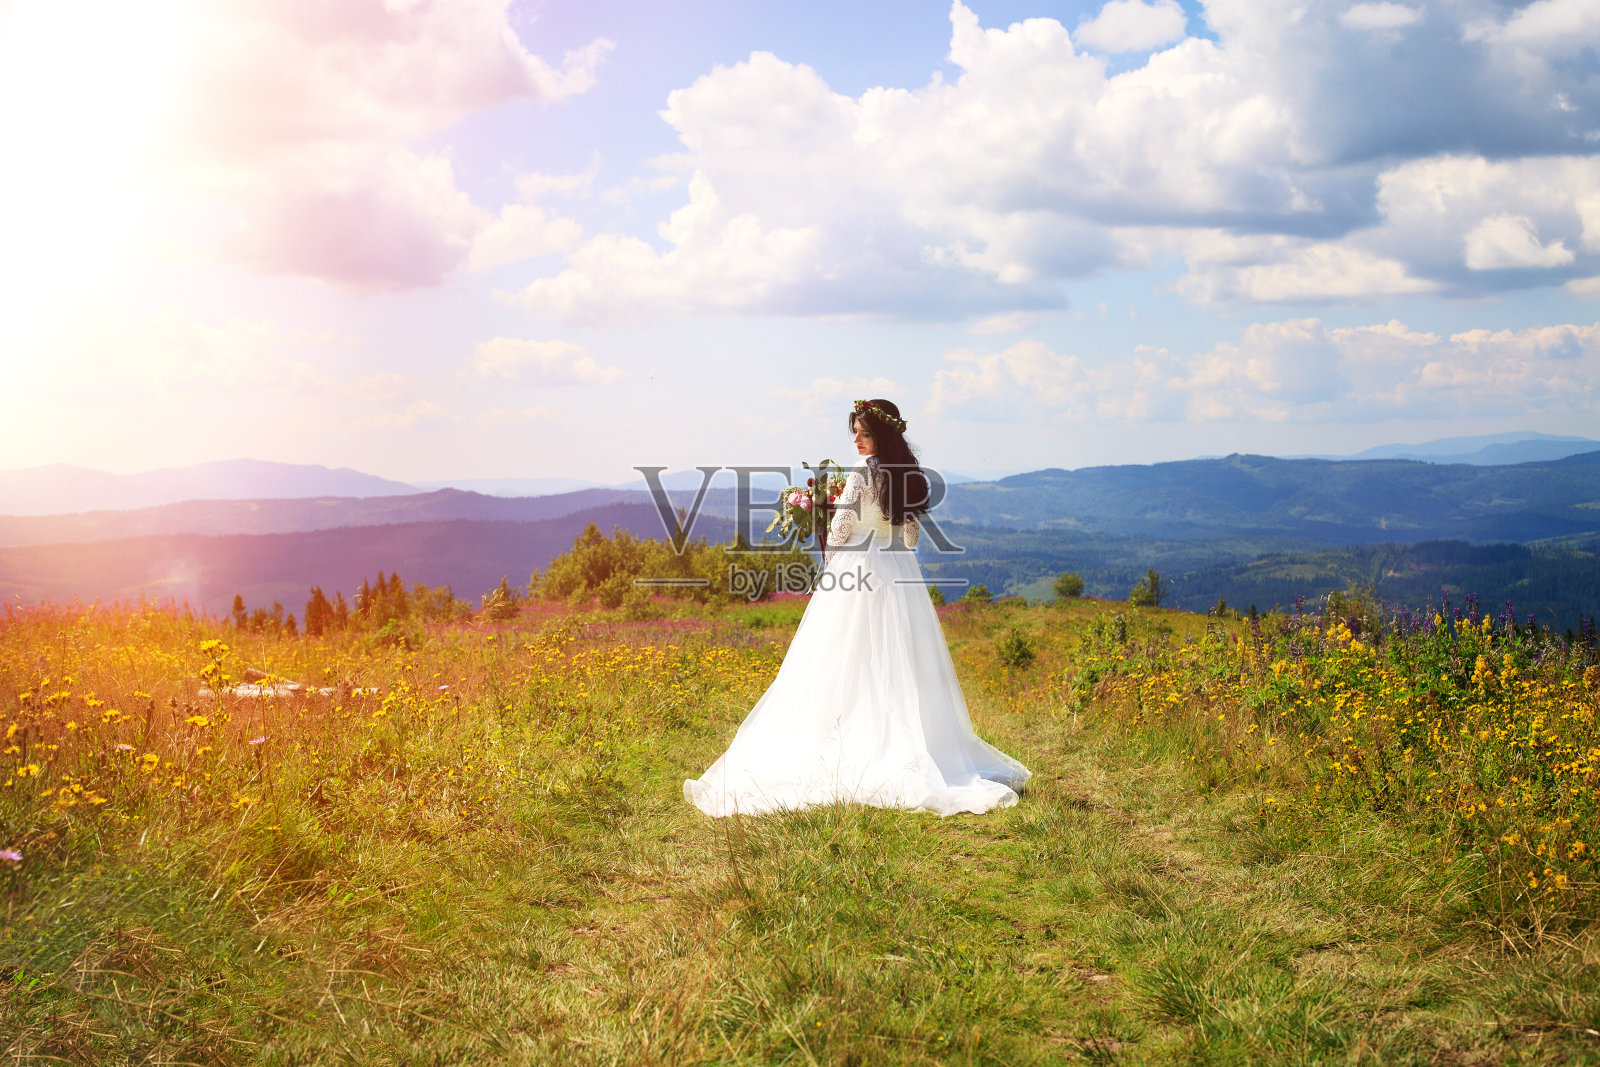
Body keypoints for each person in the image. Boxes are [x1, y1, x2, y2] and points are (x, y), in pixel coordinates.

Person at [684, 399, 1031, 817]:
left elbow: (841, 528)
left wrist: (829, 545)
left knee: (842, 655)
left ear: (881, 435)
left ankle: (849, 732)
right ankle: (912, 741)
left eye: (864, 433)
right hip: (898, 571)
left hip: (859, 568)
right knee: (899, 656)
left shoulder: (861, 473)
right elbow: (910, 540)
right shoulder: (908, 477)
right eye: (855, 433)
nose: (857, 440)